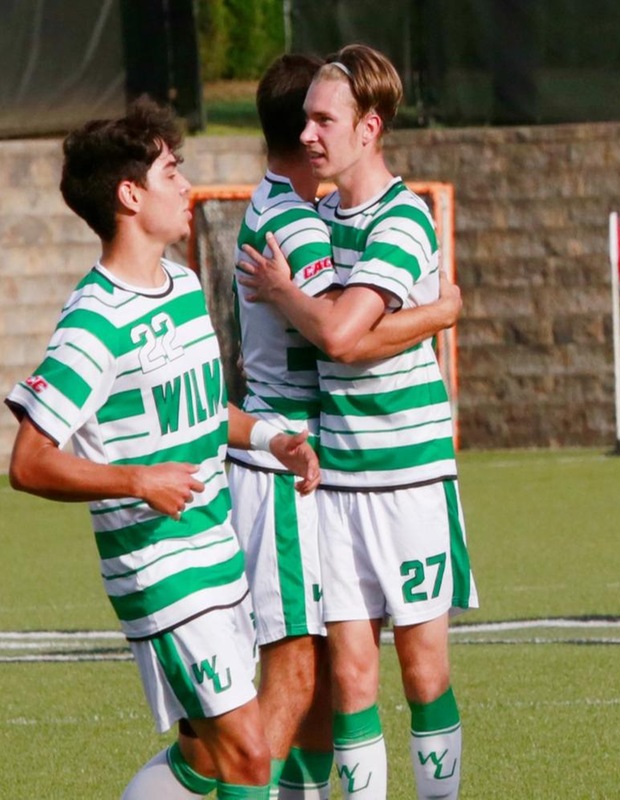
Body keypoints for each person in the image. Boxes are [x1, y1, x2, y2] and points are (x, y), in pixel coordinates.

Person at [6, 98, 319, 799]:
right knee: (247, 758)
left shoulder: (180, 284)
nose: (185, 187)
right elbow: (27, 462)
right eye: (171, 172)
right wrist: (135, 480)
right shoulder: (93, 323)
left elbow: (206, 411)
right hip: (160, 569)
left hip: (216, 550)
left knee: (207, 760)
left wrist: (273, 438)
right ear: (129, 193)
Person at [238, 44, 472, 799]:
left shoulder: (403, 218)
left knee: (424, 669)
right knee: (350, 677)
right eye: (304, 119)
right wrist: (437, 312)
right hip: (336, 477)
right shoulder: (317, 217)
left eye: (323, 120)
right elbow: (340, 332)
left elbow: (341, 337)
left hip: (409, 476)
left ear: (368, 128)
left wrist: (288, 294)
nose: (308, 134)